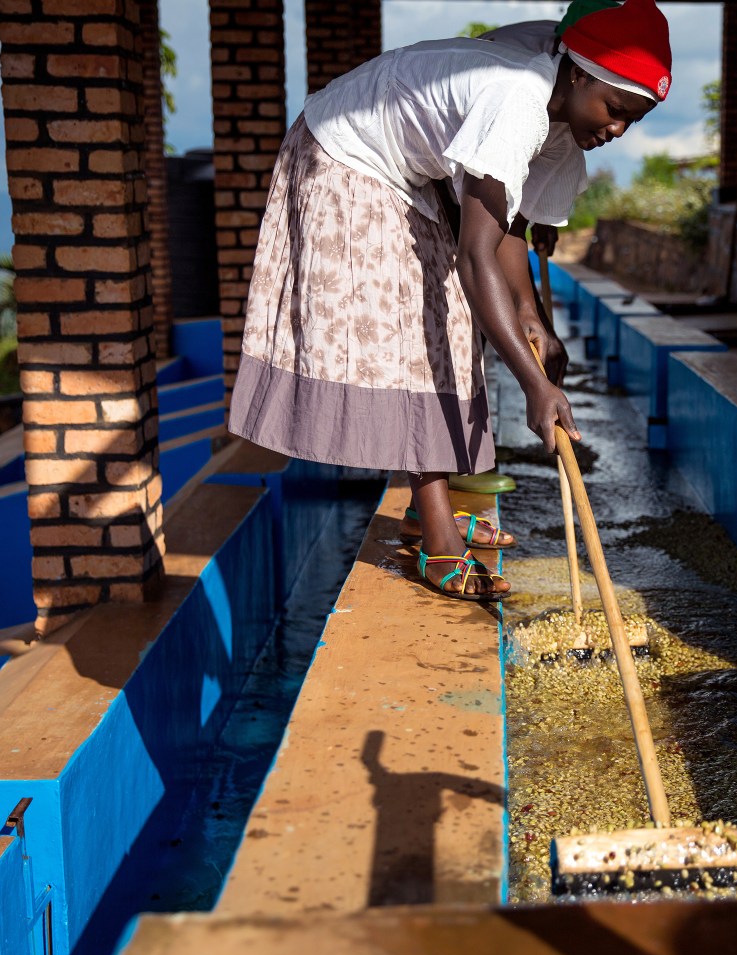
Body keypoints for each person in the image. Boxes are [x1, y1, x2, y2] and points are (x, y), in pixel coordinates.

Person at [227, 0, 673, 600]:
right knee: (418, 337)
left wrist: (531, 320)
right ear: (579, 73)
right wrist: (535, 386)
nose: (617, 128)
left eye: (633, 121)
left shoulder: (565, 117)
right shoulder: (519, 98)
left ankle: (423, 512)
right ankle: (438, 543)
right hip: (344, 156)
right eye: (615, 109)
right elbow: (475, 257)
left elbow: (508, 231)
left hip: (404, 175)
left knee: (450, 329)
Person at [479, 0, 621, 259]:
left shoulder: (574, 78)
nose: (618, 130)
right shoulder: (524, 72)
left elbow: (558, 141)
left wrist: (544, 216)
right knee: (479, 239)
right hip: (464, 143)